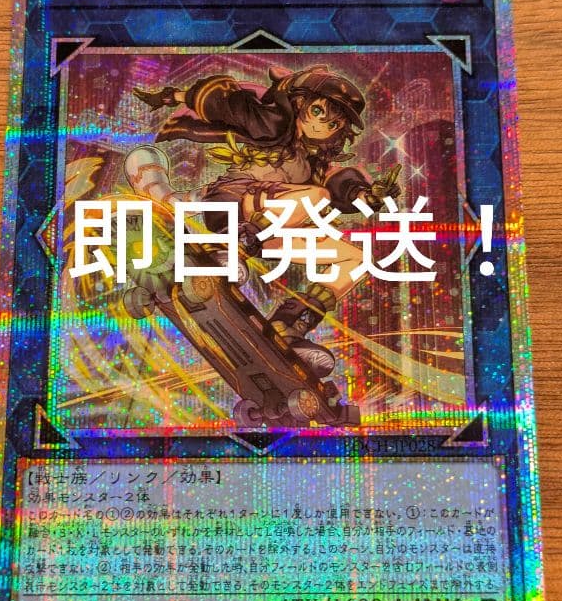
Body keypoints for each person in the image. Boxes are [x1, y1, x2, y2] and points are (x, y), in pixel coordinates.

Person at [134, 64, 400, 371]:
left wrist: (370, 196)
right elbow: (225, 105)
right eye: (318, 112)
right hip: (234, 204)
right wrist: (173, 96)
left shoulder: (316, 164)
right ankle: (229, 252)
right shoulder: (272, 125)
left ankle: (289, 326)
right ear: (299, 102)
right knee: (317, 197)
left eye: (334, 123)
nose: (323, 126)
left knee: (356, 259)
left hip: (267, 228)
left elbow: (343, 188)